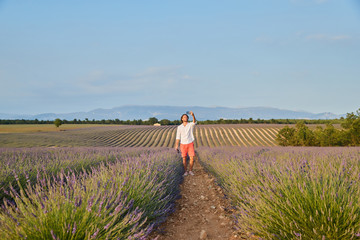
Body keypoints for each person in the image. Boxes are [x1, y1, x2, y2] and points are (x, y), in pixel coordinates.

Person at [174, 111, 196, 176]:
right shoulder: (179, 127)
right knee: (184, 158)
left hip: (190, 143)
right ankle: (185, 171)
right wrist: (176, 146)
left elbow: (194, 122)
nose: (185, 118)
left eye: (186, 117)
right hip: (182, 144)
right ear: (182, 119)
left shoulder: (190, 125)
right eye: (184, 117)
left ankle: (190, 170)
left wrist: (193, 115)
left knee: (192, 158)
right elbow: (178, 137)